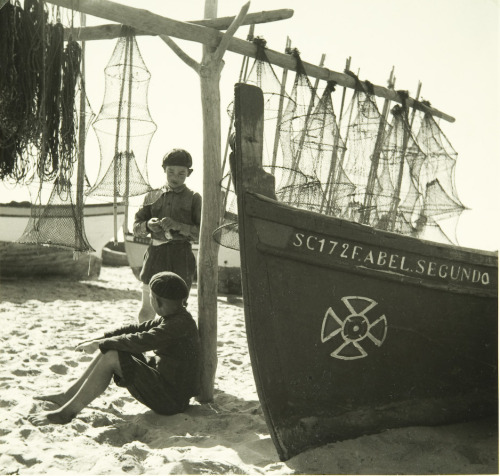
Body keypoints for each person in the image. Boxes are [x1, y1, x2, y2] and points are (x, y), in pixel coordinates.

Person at [28, 271, 201, 426]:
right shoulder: (175, 317)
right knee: (113, 346)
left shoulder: (178, 325)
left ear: (156, 301)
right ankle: (68, 395)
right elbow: (134, 330)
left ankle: (66, 414)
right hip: (169, 391)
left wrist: (100, 344)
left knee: (112, 354)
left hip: (171, 401)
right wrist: (101, 339)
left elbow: (141, 340)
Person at [133, 148, 202, 323]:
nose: (175, 177)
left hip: (181, 257)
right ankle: (143, 345)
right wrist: (148, 225)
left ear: (189, 174)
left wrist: (179, 226)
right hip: (155, 255)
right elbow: (136, 227)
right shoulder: (152, 195)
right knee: (146, 310)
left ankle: (169, 348)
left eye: (181, 173)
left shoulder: (194, 198)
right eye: (171, 171)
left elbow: (202, 233)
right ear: (164, 170)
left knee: (176, 311)